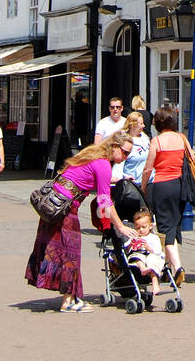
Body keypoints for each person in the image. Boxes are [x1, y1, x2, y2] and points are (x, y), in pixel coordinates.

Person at [25, 131, 134, 312]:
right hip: (65, 210)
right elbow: (104, 201)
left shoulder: (92, 155)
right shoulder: (103, 164)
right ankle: (69, 301)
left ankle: (71, 297)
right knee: (71, 254)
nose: (126, 157)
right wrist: (120, 226)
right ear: (114, 147)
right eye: (125, 152)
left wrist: (119, 179)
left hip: (52, 205)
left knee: (58, 252)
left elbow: (92, 177)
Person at [139, 107, 191, 285]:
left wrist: (143, 187)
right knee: (174, 225)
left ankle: (177, 268)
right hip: (180, 185)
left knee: (164, 229)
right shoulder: (182, 138)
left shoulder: (157, 141)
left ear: (159, 123)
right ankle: (168, 267)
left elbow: (148, 168)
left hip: (162, 185)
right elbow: (191, 159)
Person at [126, 207, 166, 306]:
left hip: (150, 256)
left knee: (152, 259)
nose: (141, 230)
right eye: (138, 227)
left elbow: (158, 250)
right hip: (138, 257)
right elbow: (125, 248)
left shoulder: (153, 237)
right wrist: (130, 244)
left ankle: (155, 282)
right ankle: (143, 269)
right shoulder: (134, 236)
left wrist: (149, 248)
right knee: (137, 257)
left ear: (150, 226)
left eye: (144, 227)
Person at [122, 111, 151, 184]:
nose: (144, 126)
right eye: (141, 124)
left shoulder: (145, 138)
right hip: (133, 184)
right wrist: (125, 176)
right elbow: (118, 166)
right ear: (133, 125)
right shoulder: (125, 142)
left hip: (149, 182)